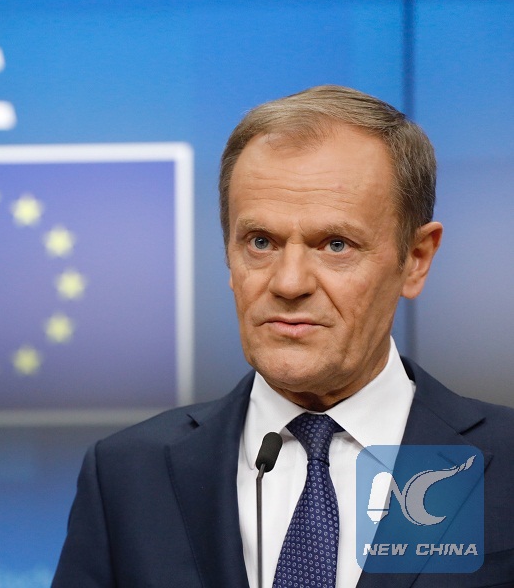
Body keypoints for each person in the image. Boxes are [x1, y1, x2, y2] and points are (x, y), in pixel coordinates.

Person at [50, 85, 514, 588]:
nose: (289, 283)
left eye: (336, 245)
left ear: (416, 259)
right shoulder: (127, 475)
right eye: (261, 242)